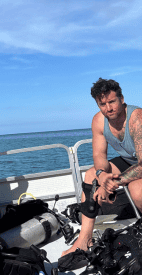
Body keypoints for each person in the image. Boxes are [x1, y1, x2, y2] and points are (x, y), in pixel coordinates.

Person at [62, 78, 142, 257]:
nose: (108, 108)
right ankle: (84, 240)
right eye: (102, 104)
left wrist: (115, 182)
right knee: (91, 175)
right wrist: (102, 175)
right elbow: (99, 156)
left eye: (112, 101)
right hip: (130, 161)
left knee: (137, 190)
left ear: (122, 99)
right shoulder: (99, 120)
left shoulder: (137, 118)